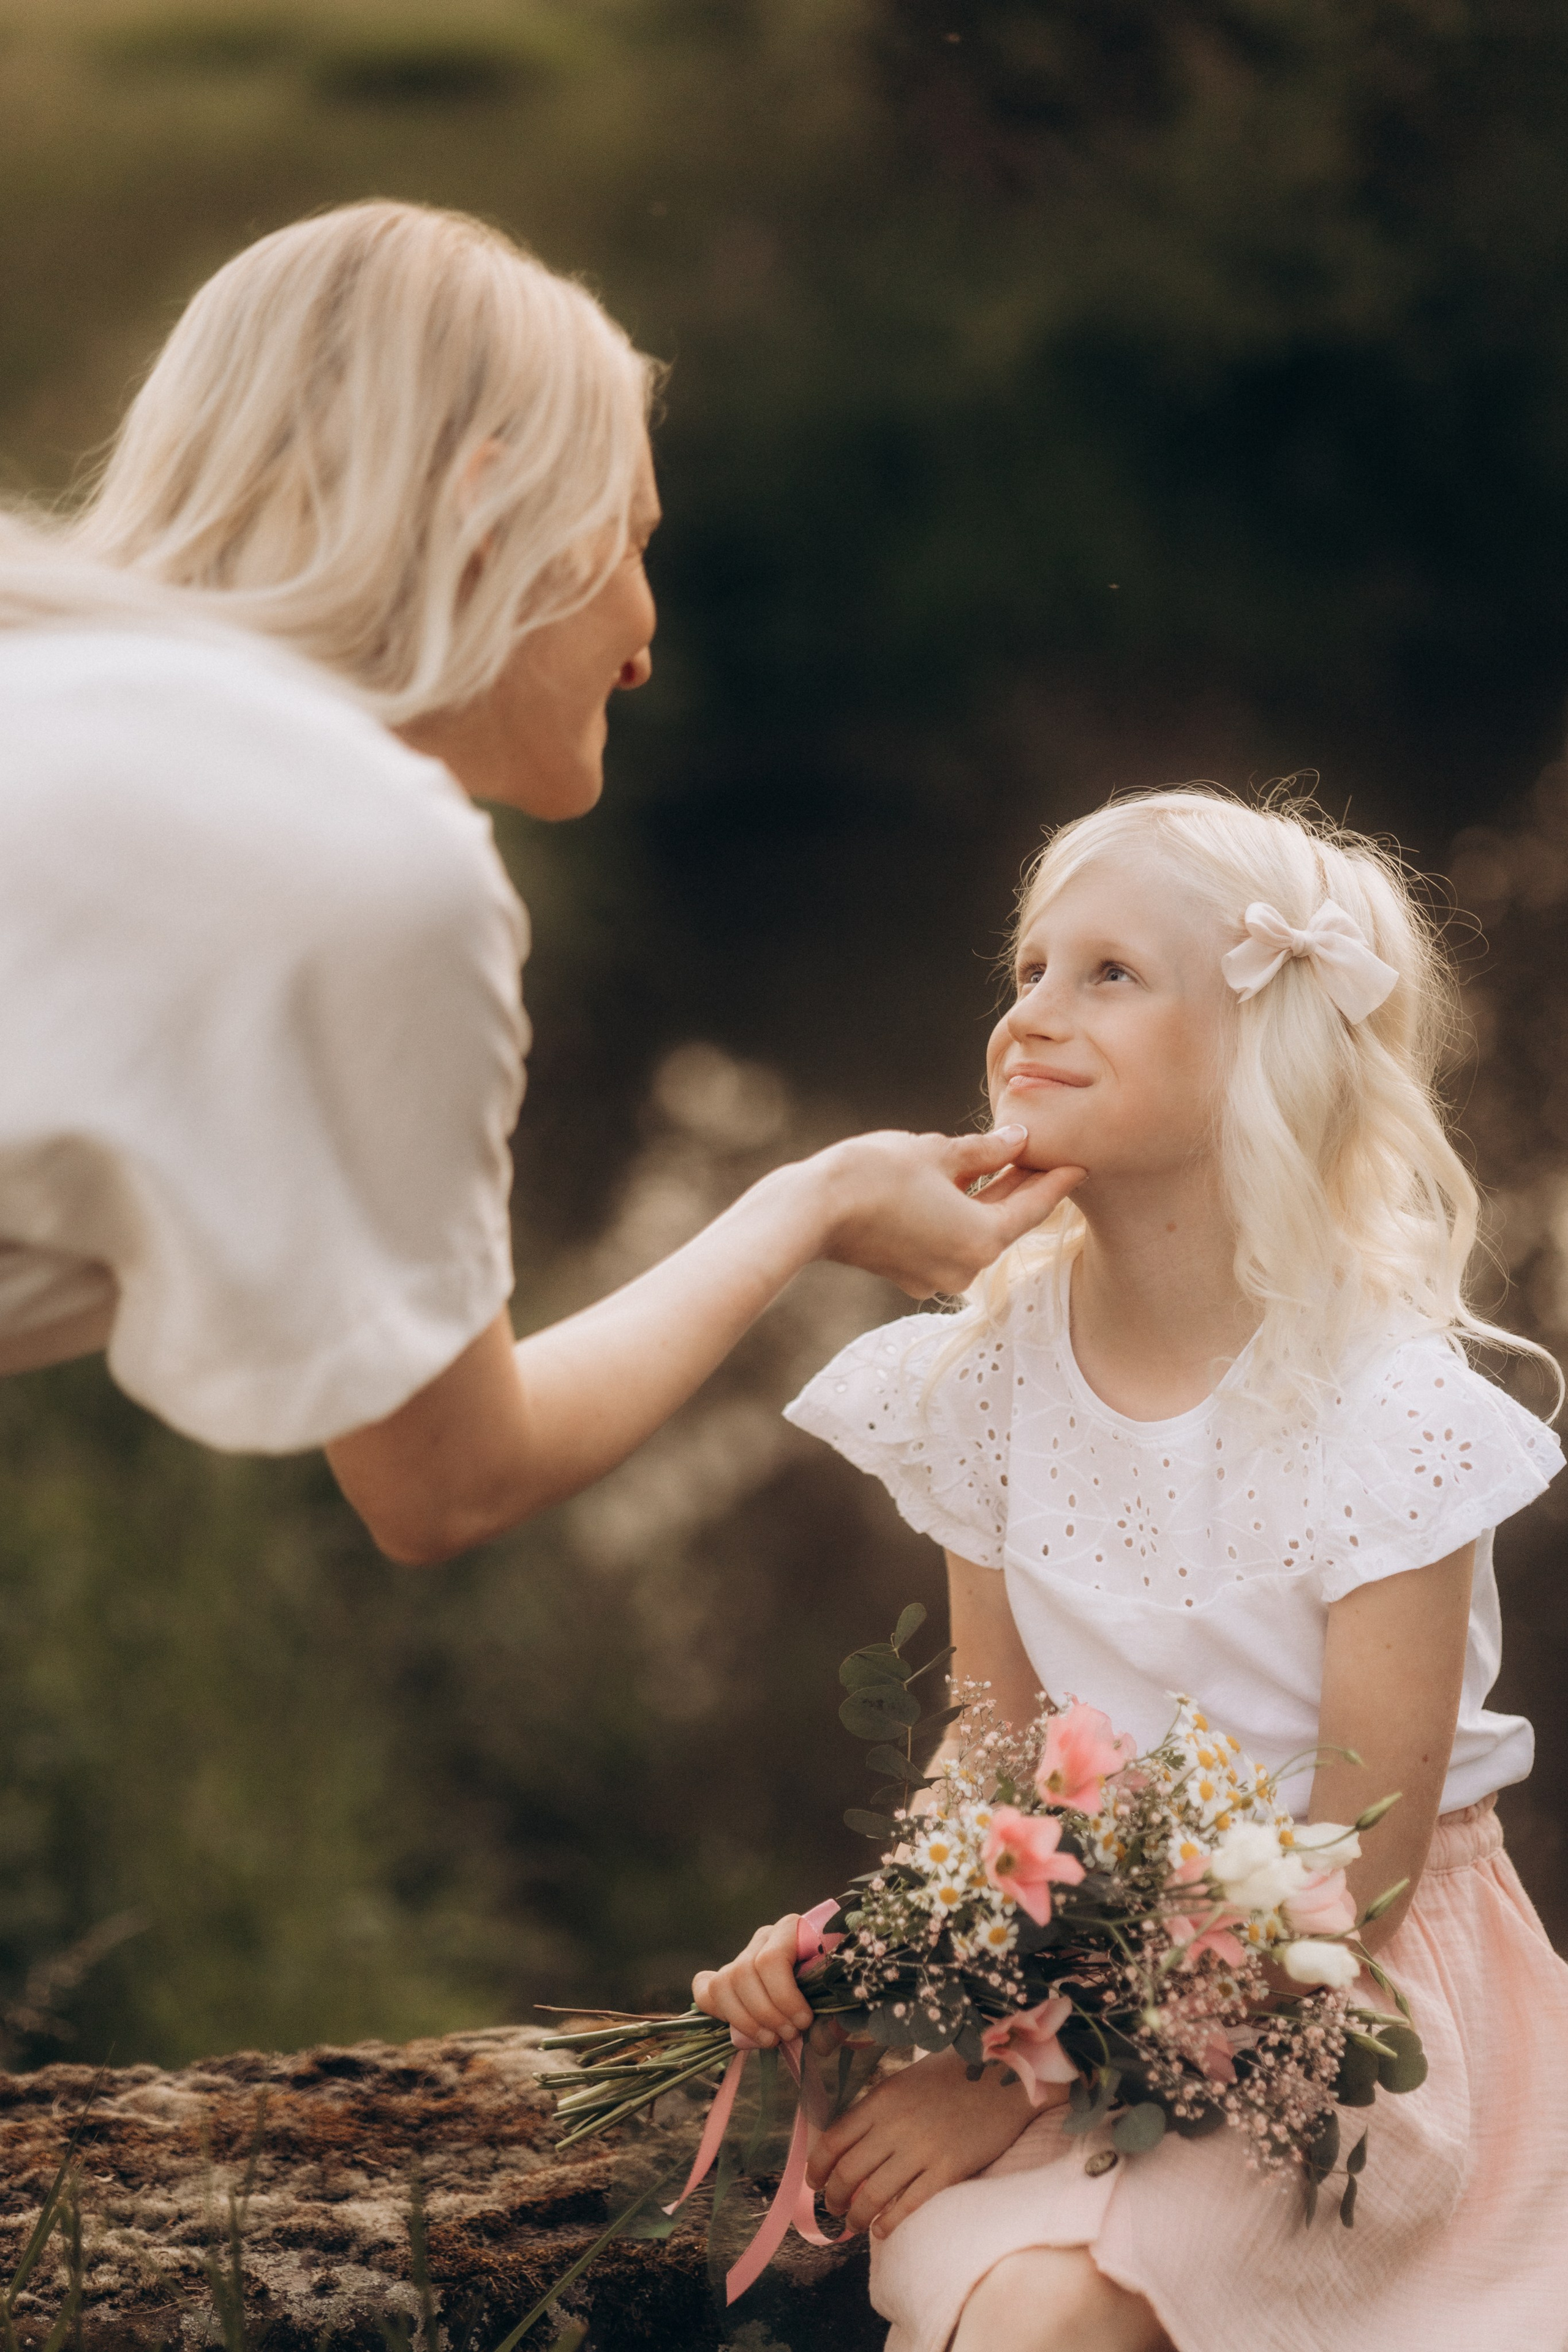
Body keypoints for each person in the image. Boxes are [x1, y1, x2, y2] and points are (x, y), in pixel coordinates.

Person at [0, 201, 1081, 1559]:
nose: (641, 641)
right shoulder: (368, 857)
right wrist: (810, 1205)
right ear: (486, 511)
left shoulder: (59, 694)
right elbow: (444, 1480)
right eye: (628, 541)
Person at [695, 789, 1568, 2352]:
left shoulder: (1387, 1413)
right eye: (1026, 969)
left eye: (1108, 974)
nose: (1029, 1012)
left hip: (1341, 2007)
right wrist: (869, 1942)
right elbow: (991, 1744)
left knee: (1043, 2320)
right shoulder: (985, 1375)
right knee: (999, 2311)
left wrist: (1003, 2072)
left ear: (1263, 1049)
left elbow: (1348, 1873)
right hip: (1090, 1961)